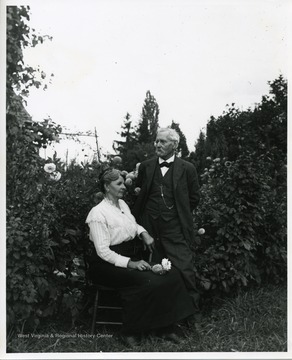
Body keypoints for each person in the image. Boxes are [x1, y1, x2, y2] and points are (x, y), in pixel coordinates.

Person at [85, 168, 195, 347]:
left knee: (171, 274)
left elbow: (133, 225)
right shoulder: (98, 214)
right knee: (148, 281)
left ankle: (165, 327)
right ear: (107, 186)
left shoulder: (122, 205)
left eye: (123, 183)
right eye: (118, 184)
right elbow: (103, 252)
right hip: (105, 266)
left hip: (128, 257)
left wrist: (144, 233)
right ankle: (130, 331)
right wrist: (131, 263)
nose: (123, 187)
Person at [132, 127, 201, 312]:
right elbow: (140, 192)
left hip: (174, 229)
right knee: (151, 271)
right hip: (149, 229)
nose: (158, 145)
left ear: (174, 145)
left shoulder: (187, 168)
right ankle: (157, 318)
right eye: (157, 141)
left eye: (162, 141)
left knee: (185, 270)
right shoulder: (146, 166)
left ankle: (191, 317)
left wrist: (177, 214)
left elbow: (194, 198)